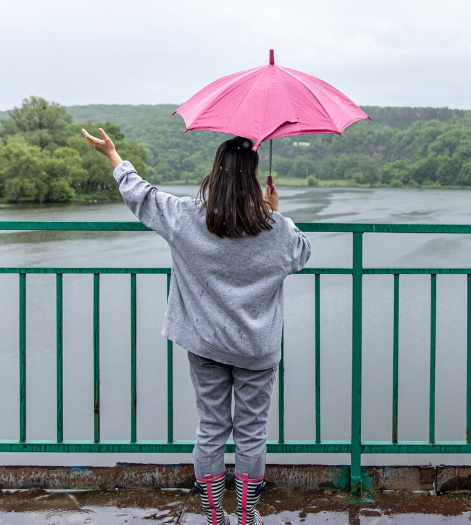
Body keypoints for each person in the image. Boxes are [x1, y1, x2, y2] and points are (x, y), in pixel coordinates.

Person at [82, 128, 311, 525]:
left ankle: (213, 517)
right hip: (257, 350)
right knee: (252, 432)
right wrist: (274, 213)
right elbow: (302, 255)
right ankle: (245, 515)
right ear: (254, 178)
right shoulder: (277, 230)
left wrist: (114, 155)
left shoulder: (186, 216)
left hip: (205, 344)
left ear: (215, 175)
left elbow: (141, 195)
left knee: (211, 427)